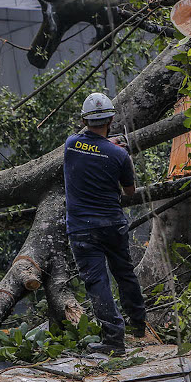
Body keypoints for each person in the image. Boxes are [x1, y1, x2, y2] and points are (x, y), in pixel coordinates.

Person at [63, 92, 146, 356]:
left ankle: (113, 339)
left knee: (97, 281)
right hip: (112, 223)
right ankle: (139, 324)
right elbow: (130, 192)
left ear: (84, 120)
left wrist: (106, 145)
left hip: (82, 228)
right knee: (124, 273)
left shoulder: (70, 145)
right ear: (111, 118)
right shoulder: (118, 155)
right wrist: (122, 154)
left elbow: (89, 143)